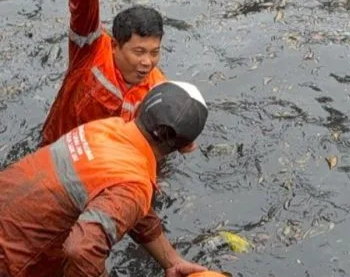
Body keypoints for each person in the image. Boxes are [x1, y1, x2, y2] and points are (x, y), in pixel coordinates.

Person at [0, 81, 210, 276]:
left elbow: (124, 201)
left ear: (139, 108)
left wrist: (171, 261)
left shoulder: (106, 128)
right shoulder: (134, 185)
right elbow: (81, 250)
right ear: (187, 147)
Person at [39, 0, 166, 147]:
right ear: (115, 45)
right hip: (56, 152)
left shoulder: (158, 90)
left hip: (104, 161)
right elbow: (83, 5)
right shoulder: (91, 50)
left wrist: (180, 139)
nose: (147, 62)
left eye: (154, 52)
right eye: (139, 52)